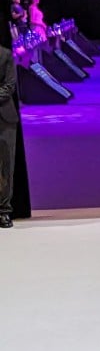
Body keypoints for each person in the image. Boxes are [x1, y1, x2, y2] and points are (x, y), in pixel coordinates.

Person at [0, 41, 18, 229]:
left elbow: (9, 85)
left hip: (4, 119)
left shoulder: (5, 55)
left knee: (6, 168)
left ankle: (4, 211)